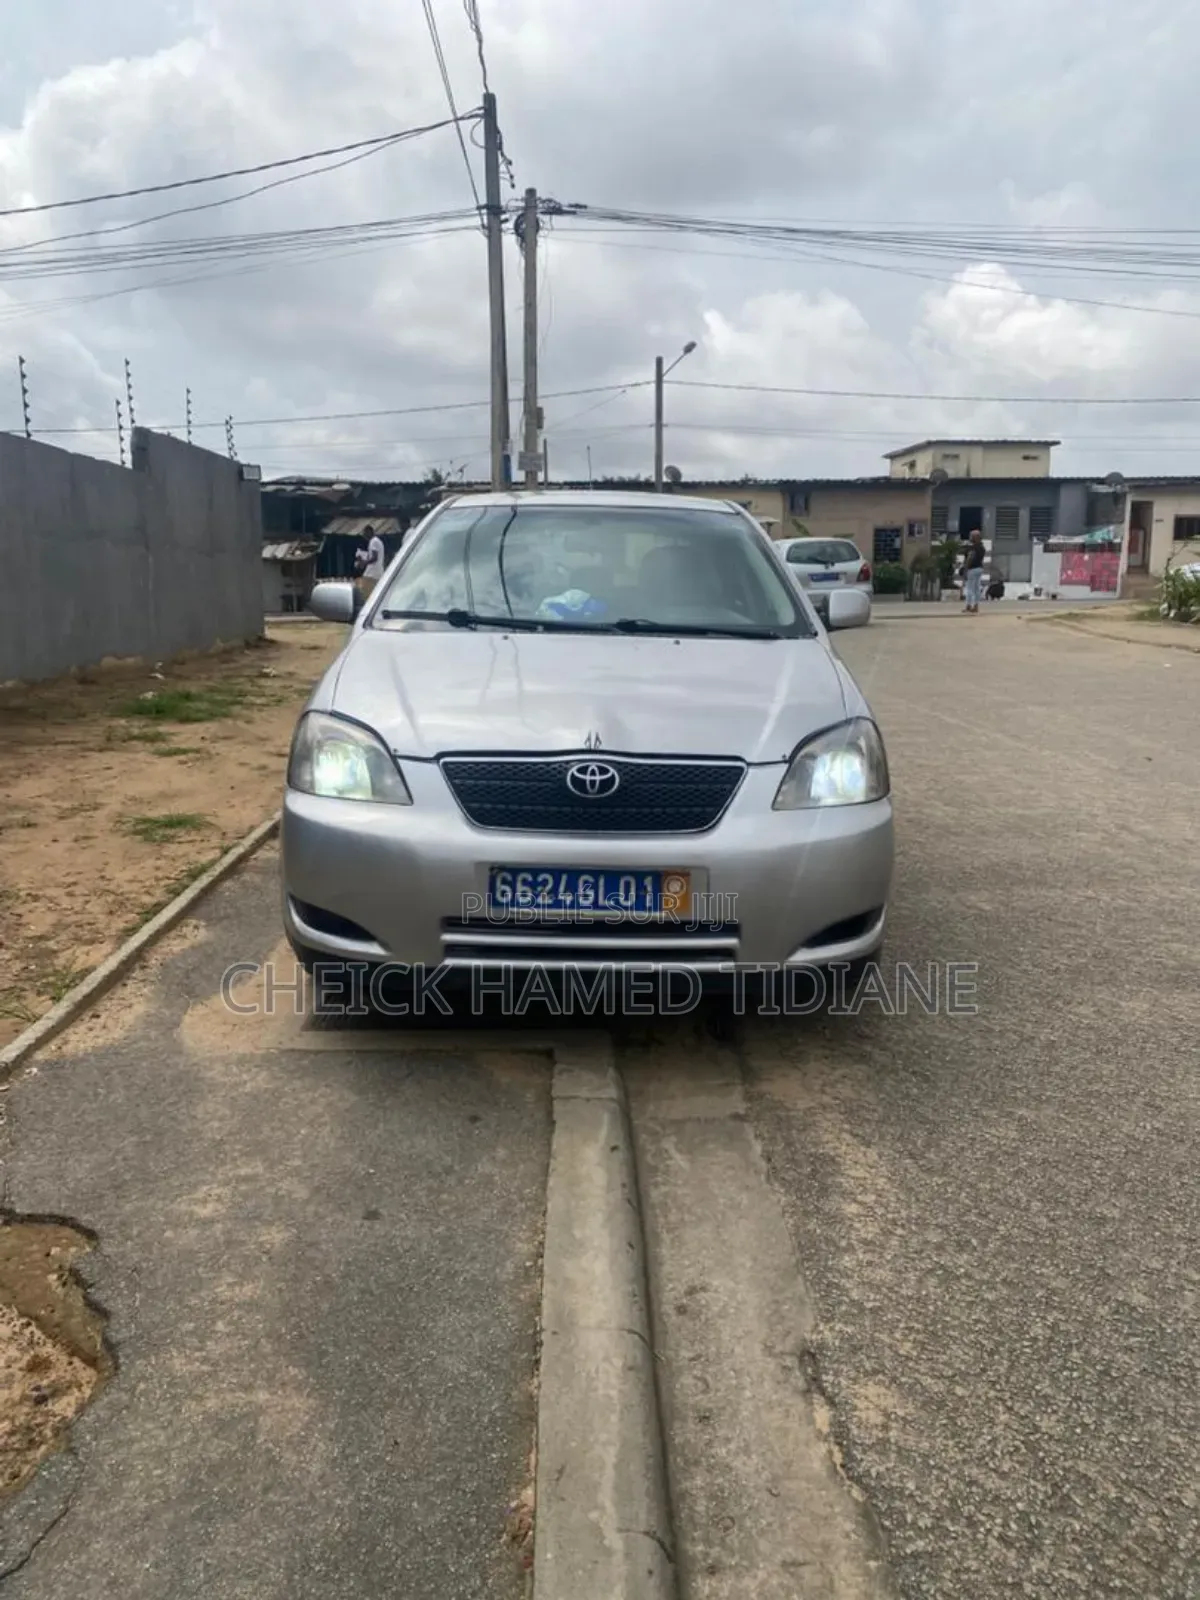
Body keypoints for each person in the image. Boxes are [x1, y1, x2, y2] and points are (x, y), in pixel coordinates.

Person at [354, 524, 387, 598]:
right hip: (377, 573)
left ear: (369, 532)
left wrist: (364, 562)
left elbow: (374, 557)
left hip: (372, 574)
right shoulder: (377, 541)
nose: (364, 536)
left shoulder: (373, 541)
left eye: (365, 533)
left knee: (366, 595)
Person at [962, 529, 987, 614]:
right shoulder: (982, 547)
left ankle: (968, 606)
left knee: (969, 588)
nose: (969, 537)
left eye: (971, 536)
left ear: (974, 537)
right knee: (976, 588)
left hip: (972, 569)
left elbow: (970, 558)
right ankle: (976, 606)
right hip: (979, 568)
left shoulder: (972, 547)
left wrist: (965, 569)